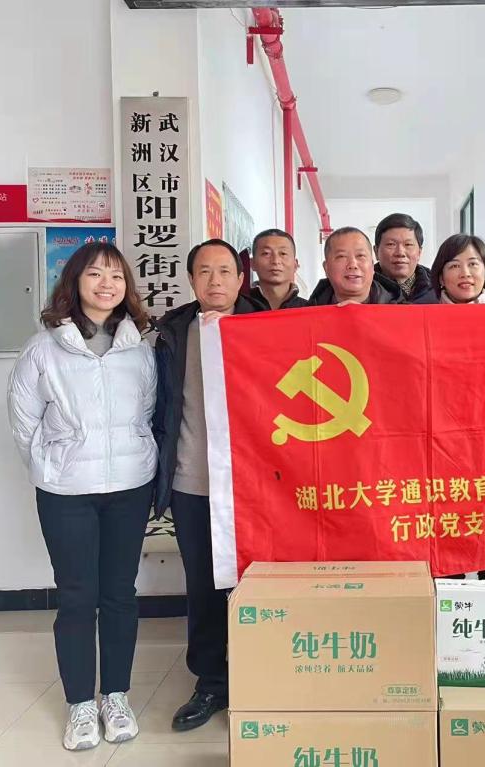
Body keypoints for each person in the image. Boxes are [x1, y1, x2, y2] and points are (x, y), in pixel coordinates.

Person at [7, 242, 156, 751]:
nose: (106, 284)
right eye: (95, 274)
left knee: (120, 595)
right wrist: (52, 467)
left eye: (116, 276)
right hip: (67, 492)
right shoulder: (43, 349)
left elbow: (147, 413)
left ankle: (116, 695)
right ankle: (80, 705)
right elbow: (24, 423)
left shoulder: (139, 346)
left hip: (129, 487)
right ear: (74, 282)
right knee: (76, 597)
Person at [152, 239, 262, 732]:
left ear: (241, 279)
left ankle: (259, 676)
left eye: (224, 271)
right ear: (191, 280)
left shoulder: (268, 326)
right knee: (202, 585)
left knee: (256, 585)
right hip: (193, 480)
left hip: (258, 485)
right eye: (204, 272)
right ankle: (211, 682)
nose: (215, 281)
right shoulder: (173, 334)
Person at [308, 227, 405, 305]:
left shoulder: (402, 313)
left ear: (372, 266)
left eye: (360, 256)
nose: (353, 264)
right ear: (326, 268)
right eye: (341, 256)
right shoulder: (308, 315)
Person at [373, 212, 438, 304]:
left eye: (408, 244)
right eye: (391, 244)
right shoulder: (364, 288)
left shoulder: (438, 287)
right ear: (376, 251)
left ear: (419, 252)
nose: (400, 253)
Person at [248, 228, 309, 310]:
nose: (275, 261)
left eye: (283, 253)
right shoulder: (237, 309)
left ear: (295, 265)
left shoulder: (310, 310)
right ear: (252, 263)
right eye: (266, 253)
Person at [431, 233, 485, 304]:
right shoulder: (424, 311)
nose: (465, 274)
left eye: (472, 264)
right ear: (441, 278)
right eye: (455, 266)